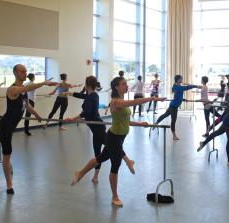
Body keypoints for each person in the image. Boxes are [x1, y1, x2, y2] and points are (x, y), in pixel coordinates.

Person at [71, 76, 165, 207]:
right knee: (115, 166)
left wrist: (139, 123)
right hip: (114, 138)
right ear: (116, 87)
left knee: (100, 158)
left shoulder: (121, 100)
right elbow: (134, 103)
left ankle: (80, 173)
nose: (126, 86)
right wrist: (152, 98)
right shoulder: (115, 102)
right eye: (124, 84)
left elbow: (125, 121)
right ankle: (114, 196)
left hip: (119, 137)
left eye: (127, 84)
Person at [0, 64, 57, 194]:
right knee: (7, 154)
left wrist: (36, 114)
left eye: (26, 71)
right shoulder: (12, 89)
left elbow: (26, 106)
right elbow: (27, 88)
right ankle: (9, 185)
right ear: (16, 73)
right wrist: (44, 83)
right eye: (22, 71)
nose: (25, 73)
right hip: (6, 125)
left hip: (10, 126)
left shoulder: (23, 91)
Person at [65, 76, 136, 184]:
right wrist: (70, 94)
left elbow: (86, 113)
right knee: (99, 154)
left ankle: (127, 160)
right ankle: (95, 177)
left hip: (98, 127)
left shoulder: (93, 96)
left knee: (113, 146)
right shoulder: (90, 95)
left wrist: (74, 118)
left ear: (87, 85)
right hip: (95, 129)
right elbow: (83, 96)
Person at [154, 74, 201, 141]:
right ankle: (174, 136)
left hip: (173, 105)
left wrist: (184, 99)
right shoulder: (177, 87)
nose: (182, 80)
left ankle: (156, 123)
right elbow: (187, 87)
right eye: (181, 79)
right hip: (174, 106)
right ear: (178, 80)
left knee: (165, 115)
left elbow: (178, 96)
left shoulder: (178, 86)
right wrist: (196, 86)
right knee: (173, 121)